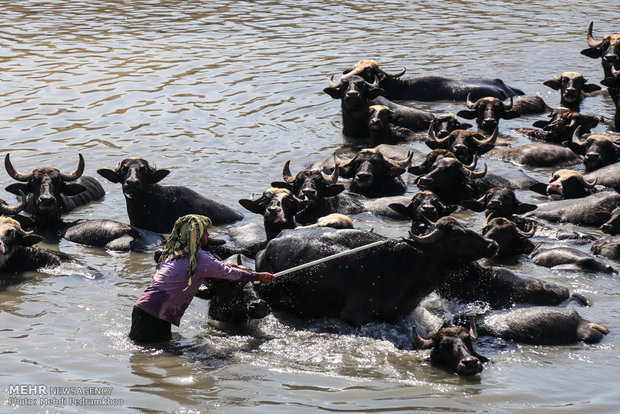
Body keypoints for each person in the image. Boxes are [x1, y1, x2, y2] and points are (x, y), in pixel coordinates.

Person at [129, 214, 275, 343]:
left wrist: (229, 267)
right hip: (156, 314)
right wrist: (258, 276)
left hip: (145, 309)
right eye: (205, 232)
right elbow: (227, 273)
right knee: (156, 355)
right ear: (197, 235)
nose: (208, 234)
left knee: (147, 353)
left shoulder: (173, 253)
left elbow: (207, 273)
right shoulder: (200, 258)